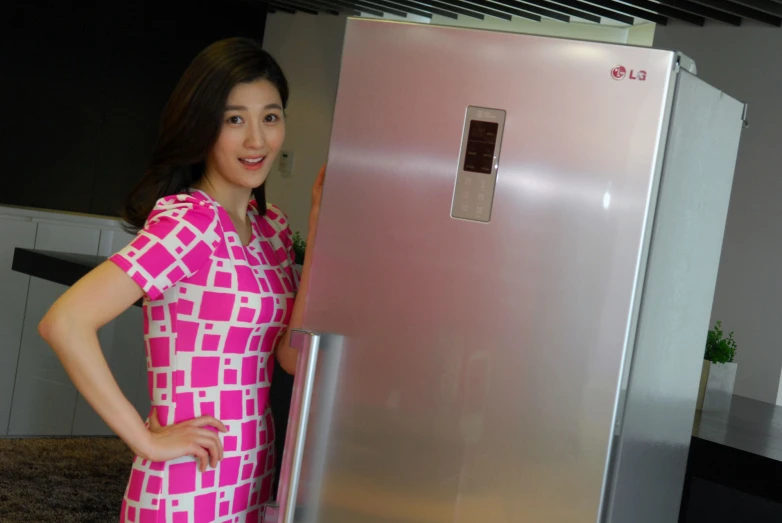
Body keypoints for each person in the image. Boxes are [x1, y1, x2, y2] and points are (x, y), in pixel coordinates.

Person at [37, 37, 323, 522]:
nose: (257, 140)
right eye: (234, 119)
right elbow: (65, 322)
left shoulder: (271, 225)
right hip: (186, 486)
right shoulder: (190, 223)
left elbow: (291, 356)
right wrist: (144, 439)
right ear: (202, 126)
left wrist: (318, 224)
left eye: (270, 117)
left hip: (253, 474)